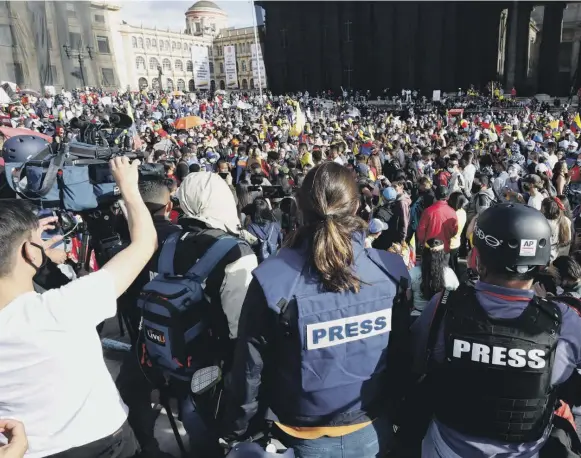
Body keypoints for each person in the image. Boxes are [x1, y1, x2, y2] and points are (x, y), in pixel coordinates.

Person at [221, 161, 410, 457]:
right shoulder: (390, 272)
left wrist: (239, 431)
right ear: (357, 206)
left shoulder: (272, 279)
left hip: (308, 434)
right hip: (370, 428)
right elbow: (402, 355)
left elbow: (249, 369)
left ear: (298, 207)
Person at [0, 157, 156, 458]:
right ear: (29, 253)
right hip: (104, 444)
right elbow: (144, 243)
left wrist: (28, 242)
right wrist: (128, 188)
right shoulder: (63, 308)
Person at [410, 203, 581, 458]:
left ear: (477, 258)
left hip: (445, 449)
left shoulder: (443, 306)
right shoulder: (565, 321)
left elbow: (415, 363)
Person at [119, 171, 257, 456]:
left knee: (190, 411)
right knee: (206, 423)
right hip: (212, 358)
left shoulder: (170, 241)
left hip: (172, 354)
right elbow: (239, 323)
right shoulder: (235, 251)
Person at [409, 238, 459, 317]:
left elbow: (408, 296)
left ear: (424, 254)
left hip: (417, 316)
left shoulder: (413, 272)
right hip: (440, 318)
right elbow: (455, 295)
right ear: (442, 254)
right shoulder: (449, 273)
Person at [416, 185, 459, 253]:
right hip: (444, 248)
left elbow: (421, 230)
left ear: (435, 196)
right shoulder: (452, 212)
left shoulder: (428, 211)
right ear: (447, 197)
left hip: (429, 247)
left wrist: (422, 242)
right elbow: (455, 231)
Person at [245, 197, 283, 262]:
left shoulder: (250, 228)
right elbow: (282, 245)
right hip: (274, 261)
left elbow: (249, 249)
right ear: (267, 210)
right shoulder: (276, 226)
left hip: (259, 264)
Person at [541, 197, 572, 262]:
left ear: (544, 209)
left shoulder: (545, 224)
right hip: (563, 257)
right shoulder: (566, 220)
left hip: (550, 259)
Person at [447, 191, 468, 274]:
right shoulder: (463, 212)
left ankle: (455, 282)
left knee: (451, 267)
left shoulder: (452, 214)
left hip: (450, 243)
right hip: (457, 241)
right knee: (455, 263)